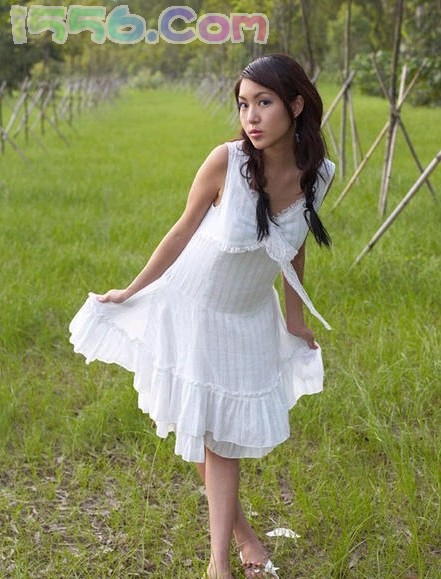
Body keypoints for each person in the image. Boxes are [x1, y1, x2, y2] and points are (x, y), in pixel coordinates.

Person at [69, 53, 335, 579]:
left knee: (212, 434)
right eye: (243, 104)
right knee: (213, 438)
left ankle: (241, 540)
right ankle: (222, 562)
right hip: (191, 307)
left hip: (246, 318)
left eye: (263, 102)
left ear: (296, 105)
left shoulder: (320, 174)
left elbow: (295, 245)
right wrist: (133, 290)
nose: (250, 117)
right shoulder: (227, 162)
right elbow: (181, 230)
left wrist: (295, 319)